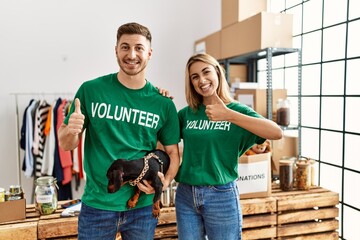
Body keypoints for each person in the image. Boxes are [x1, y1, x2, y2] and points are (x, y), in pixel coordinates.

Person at [58, 22, 180, 240]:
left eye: (139, 48)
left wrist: (165, 182)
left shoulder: (163, 104)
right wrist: (71, 130)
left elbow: (173, 153)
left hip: (142, 208)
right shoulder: (91, 90)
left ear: (149, 53)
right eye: (125, 47)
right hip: (98, 206)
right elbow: (67, 144)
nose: (131, 54)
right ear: (116, 50)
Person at [175, 53, 283, 240]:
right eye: (195, 77)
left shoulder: (238, 111)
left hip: (220, 195)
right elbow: (164, 143)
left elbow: (276, 132)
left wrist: (228, 114)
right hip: (186, 194)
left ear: (217, 72)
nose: (202, 80)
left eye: (206, 72)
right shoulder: (186, 114)